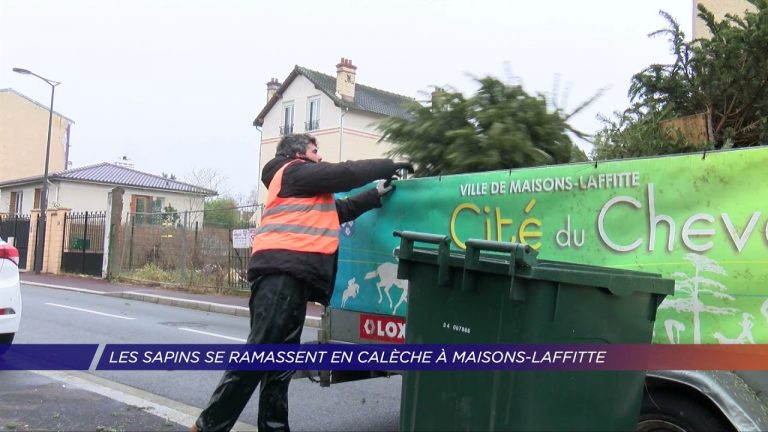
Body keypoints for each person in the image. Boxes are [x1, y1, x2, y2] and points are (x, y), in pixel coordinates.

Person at [193, 133, 412, 432]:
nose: (320, 157)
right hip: (280, 276)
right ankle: (208, 426)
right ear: (299, 154)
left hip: (290, 279)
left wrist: (374, 196)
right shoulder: (293, 172)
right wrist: (386, 165)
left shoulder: (304, 191)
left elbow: (340, 212)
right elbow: (343, 174)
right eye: (315, 151)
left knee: (279, 367)